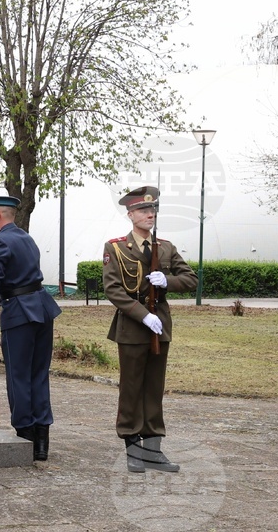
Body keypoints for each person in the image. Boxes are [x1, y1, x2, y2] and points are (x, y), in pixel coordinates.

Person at [102, 186, 197, 473]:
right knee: (131, 388)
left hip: (160, 327)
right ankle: (132, 448)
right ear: (130, 214)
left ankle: (153, 450)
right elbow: (113, 289)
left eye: (152, 209)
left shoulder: (165, 247)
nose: (149, 214)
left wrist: (167, 280)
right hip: (133, 327)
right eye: (143, 210)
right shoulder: (116, 247)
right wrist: (142, 315)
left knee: (154, 388)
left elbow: (190, 278)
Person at [0, 196, 62, 462]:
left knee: (18, 376)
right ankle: (42, 441)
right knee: (38, 374)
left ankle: (25, 436)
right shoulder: (26, 238)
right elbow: (20, 278)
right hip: (41, 308)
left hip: (19, 312)